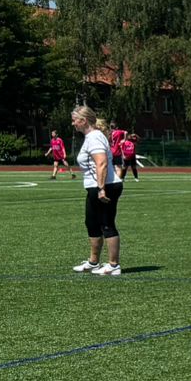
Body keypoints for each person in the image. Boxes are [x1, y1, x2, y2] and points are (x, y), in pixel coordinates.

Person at [70, 107, 123, 276]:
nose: (73, 123)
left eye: (74, 120)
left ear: (83, 120)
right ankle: (93, 262)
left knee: (106, 224)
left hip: (105, 186)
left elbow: (101, 163)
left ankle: (113, 265)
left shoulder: (94, 137)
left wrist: (101, 189)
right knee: (91, 223)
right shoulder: (91, 137)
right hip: (95, 187)